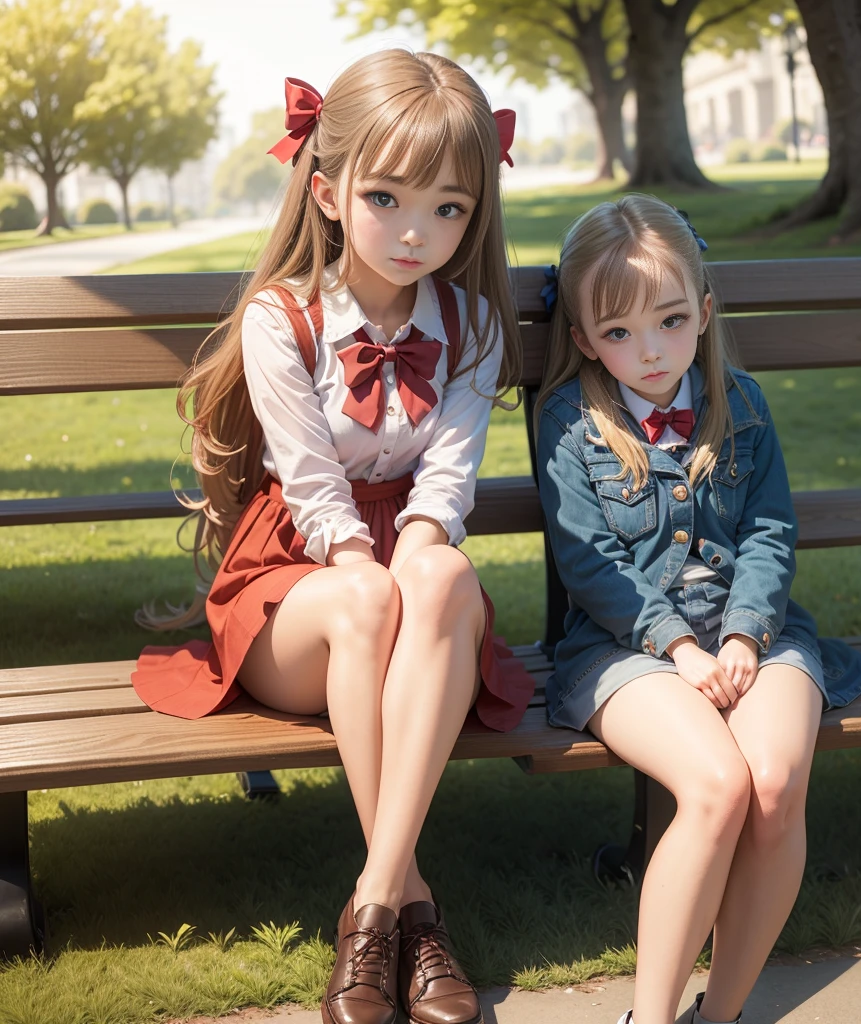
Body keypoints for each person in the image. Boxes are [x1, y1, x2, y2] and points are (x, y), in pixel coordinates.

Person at [132, 49, 534, 1024]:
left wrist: (428, 541)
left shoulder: (473, 324)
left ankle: (377, 911)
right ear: (326, 190)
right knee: (373, 593)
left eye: (448, 208)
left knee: (435, 574)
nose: (416, 232)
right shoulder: (284, 319)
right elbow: (313, 489)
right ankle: (421, 911)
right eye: (388, 198)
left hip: (406, 567)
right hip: (300, 576)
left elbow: (448, 475)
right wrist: (378, 565)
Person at [534, 194, 861, 1024]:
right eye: (617, 333)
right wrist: (678, 647)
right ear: (582, 338)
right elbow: (591, 565)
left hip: (754, 632)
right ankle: (647, 1020)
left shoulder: (744, 407)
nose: (649, 352)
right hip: (623, 648)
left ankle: (719, 1015)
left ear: (705, 312)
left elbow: (769, 534)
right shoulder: (571, 425)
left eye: (670, 320)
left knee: (773, 781)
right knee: (720, 784)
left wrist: (743, 634)